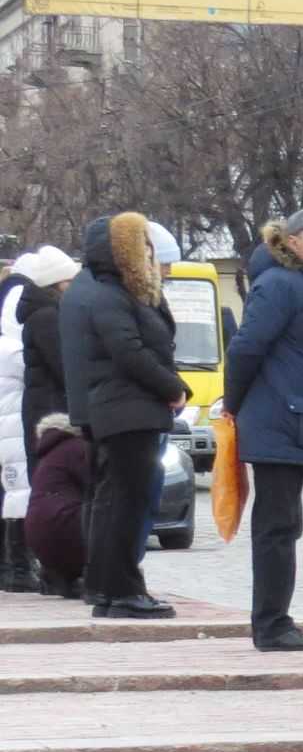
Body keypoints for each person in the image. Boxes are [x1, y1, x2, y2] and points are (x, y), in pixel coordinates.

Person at [222, 207, 303, 652]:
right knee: (276, 527)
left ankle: (276, 621)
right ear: (291, 242)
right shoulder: (280, 284)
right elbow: (245, 349)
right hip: (279, 419)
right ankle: (272, 625)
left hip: (295, 418)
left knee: (284, 523)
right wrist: (233, 405)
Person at [59, 213, 185, 620]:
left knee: (119, 503)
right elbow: (129, 352)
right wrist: (173, 388)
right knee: (126, 505)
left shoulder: (122, 293)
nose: (150, 253)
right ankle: (124, 591)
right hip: (128, 411)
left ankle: (114, 589)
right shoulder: (111, 295)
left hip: (127, 409)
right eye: (143, 245)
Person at [0, 243, 77, 592]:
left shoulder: (38, 316)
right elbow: (63, 366)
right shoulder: (45, 318)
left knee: (28, 488)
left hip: (26, 411)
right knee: (28, 489)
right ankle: (25, 566)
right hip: (33, 413)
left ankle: (27, 565)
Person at [23, 413, 89, 595]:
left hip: (36, 536)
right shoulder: (76, 448)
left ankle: (60, 579)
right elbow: (97, 487)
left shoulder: (46, 455)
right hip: (67, 529)